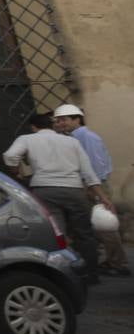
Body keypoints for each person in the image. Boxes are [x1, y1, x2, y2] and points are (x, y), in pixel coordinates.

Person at [3, 112, 115, 285]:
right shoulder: (72, 141)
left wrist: (15, 170)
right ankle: (91, 273)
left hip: (45, 190)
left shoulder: (27, 139)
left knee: (57, 234)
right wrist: (103, 197)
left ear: (33, 127)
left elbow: (10, 156)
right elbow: (88, 172)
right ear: (52, 125)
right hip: (75, 190)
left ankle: (65, 274)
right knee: (85, 234)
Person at [53, 103, 128, 277]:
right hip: (88, 185)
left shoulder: (86, 137)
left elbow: (97, 165)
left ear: (76, 119)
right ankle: (109, 260)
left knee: (105, 225)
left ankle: (118, 263)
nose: (60, 123)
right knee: (94, 225)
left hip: (94, 186)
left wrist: (95, 190)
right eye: (58, 120)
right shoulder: (74, 137)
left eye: (63, 119)